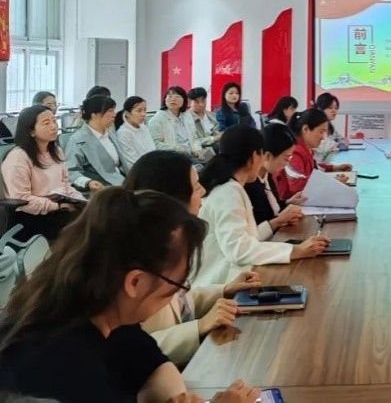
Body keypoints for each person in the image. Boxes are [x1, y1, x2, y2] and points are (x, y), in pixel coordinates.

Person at [0, 187, 260, 403]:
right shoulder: (63, 367)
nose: (178, 293)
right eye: (176, 285)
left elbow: (151, 364)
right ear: (136, 282)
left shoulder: (102, 311)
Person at [123, 151, 261, 367]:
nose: (203, 192)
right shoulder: (137, 260)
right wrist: (200, 326)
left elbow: (181, 301)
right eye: (196, 187)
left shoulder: (171, 242)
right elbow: (132, 351)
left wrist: (225, 290)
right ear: (174, 198)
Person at [193, 125, 329, 287]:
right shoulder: (228, 192)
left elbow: (250, 238)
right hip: (222, 283)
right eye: (262, 154)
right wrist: (296, 251)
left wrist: (284, 234)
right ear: (254, 156)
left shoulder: (233, 188)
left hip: (237, 278)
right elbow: (239, 250)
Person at [0, 105, 84, 241]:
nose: (54, 126)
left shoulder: (56, 151)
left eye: (54, 121)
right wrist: (57, 206)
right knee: (84, 227)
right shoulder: (18, 157)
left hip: (57, 206)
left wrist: (80, 200)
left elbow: (65, 185)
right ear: (31, 131)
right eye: (46, 123)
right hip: (30, 216)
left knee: (96, 213)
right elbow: (21, 198)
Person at [244, 123, 302, 226]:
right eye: (286, 158)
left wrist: (288, 203)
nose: (287, 163)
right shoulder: (248, 182)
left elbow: (273, 209)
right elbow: (256, 226)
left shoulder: (267, 175)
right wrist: (279, 220)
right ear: (267, 156)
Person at [66, 95, 125, 192]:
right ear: (94, 115)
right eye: (110, 111)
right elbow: (71, 171)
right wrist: (88, 182)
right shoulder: (78, 140)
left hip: (120, 181)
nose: (114, 114)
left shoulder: (111, 134)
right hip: (102, 188)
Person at [149, 86, 200, 162]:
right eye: (170, 96)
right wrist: (176, 149)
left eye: (177, 97)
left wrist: (197, 149)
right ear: (165, 99)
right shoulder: (157, 119)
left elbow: (194, 137)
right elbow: (155, 144)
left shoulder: (187, 116)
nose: (173, 99)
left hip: (191, 156)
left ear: (184, 100)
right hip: (170, 158)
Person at [114, 96, 156, 174]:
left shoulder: (144, 127)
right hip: (137, 173)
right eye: (139, 111)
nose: (143, 114)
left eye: (145, 110)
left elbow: (152, 150)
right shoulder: (123, 133)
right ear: (127, 113)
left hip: (152, 168)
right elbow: (131, 163)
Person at [183, 86, 221, 159]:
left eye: (203, 101)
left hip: (215, 147)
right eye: (196, 102)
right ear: (189, 102)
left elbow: (218, 132)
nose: (201, 104)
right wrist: (214, 138)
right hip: (197, 151)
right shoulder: (186, 118)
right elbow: (193, 141)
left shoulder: (212, 116)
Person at [313, 92, 348, 159]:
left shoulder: (330, 125)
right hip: (318, 161)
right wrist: (338, 145)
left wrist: (340, 144)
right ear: (320, 108)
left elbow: (342, 139)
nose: (334, 111)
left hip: (327, 160)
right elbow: (326, 147)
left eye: (336, 108)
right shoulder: (315, 125)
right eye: (330, 108)